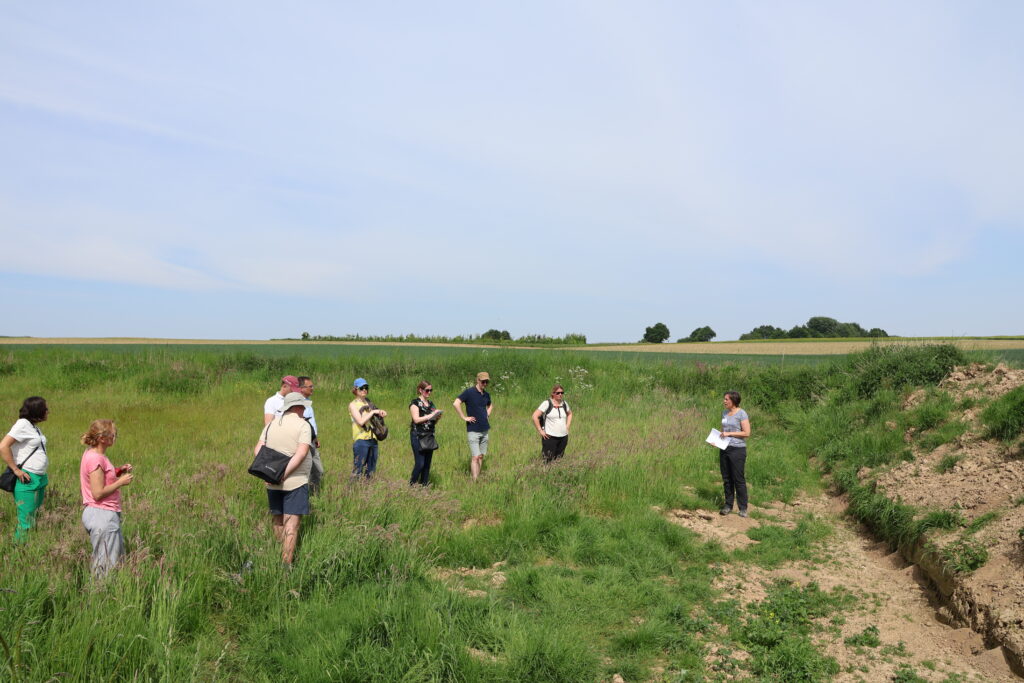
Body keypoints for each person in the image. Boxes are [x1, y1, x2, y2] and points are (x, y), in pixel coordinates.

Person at [254, 392, 312, 567]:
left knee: (278, 520)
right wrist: (283, 475)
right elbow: (301, 453)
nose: (304, 410)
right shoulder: (303, 425)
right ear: (298, 407)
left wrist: (269, 474)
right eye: (303, 407)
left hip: (272, 482)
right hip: (295, 481)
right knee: (291, 526)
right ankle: (286, 566)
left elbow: (258, 450)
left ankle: (276, 556)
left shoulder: (271, 425)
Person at [79, 420, 133, 576]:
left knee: (111, 562)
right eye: (113, 435)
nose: (115, 438)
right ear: (102, 438)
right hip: (102, 516)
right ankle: (100, 591)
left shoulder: (93, 454)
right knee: (105, 568)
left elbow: (101, 476)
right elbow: (97, 493)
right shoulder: (96, 459)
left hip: (100, 514)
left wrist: (118, 471)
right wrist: (120, 482)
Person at [1, 396, 50, 542]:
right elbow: (3, 446)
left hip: (39, 478)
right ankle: (18, 549)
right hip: (27, 479)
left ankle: (29, 546)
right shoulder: (22, 424)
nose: (48, 411)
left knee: (33, 517)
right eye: (45, 409)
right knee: (26, 522)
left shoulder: (33, 427)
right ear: (37, 410)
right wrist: (16, 470)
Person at [453, 372, 493, 482]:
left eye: (487, 382)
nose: (485, 384)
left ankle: (478, 478)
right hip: (473, 430)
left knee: (481, 456)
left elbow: (490, 405)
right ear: (477, 380)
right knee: (475, 456)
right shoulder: (469, 392)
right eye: (483, 381)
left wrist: (487, 414)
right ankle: (474, 481)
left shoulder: (486, 394)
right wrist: (464, 417)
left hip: (485, 429)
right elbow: (456, 403)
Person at [719, 391, 751, 517]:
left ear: (733, 400)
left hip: (737, 450)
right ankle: (728, 505)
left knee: (738, 479)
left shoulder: (742, 413)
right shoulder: (724, 413)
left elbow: (746, 433)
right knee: (727, 479)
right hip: (724, 448)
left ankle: (743, 508)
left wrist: (729, 434)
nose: (724, 401)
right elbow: (723, 431)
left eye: (726, 399)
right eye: (724, 399)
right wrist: (717, 440)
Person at [349, 378, 386, 479]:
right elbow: (361, 421)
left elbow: (375, 415)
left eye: (366, 387)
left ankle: (368, 488)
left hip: (373, 439)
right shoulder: (353, 405)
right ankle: (353, 488)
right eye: (362, 388)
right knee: (358, 470)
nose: (364, 390)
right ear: (356, 389)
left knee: (371, 471)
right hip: (361, 440)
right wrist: (373, 412)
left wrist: (381, 412)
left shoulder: (369, 402)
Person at [409, 381, 443, 486]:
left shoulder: (431, 404)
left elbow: (432, 422)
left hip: (429, 435)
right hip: (418, 435)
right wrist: (430, 416)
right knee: (420, 464)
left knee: (427, 465)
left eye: (430, 390)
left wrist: (437, 417)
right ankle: (411, 485)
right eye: (427, 390)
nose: (429, 392)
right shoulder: (415, 403)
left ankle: (424, 487)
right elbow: (416, 419)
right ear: (420, 390)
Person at [532, 384, 572, 463]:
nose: (560, 394)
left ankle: (556, 471)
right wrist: (540, 431)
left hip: (563, 437)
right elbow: (535, 416)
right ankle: (545, 471)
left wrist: (567, 426)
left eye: (562, 393)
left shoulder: (564, 404)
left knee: (559, 459)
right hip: (550, 437)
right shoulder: (547, 403)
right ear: (553, 393)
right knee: (548, 460)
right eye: (558, 393)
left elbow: (570, 414)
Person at [297, 376, 324, 493]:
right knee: (306, 470)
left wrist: (315, 438)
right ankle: (304, 495)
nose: (312, 388)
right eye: (310, 386)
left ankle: (314, 494)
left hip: (312, 440)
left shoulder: (308, 402)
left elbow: (311, 423)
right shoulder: (298, 404)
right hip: (304, 441)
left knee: (318, 470)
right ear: (301, 388)